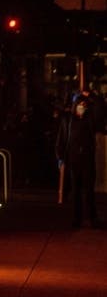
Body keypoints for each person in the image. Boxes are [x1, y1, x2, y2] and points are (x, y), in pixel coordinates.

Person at [54, 89, 101, 228]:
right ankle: (77, 218)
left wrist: (92, 95)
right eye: (79, 104)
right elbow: (61, 140)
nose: (81, 107)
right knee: (76, 191)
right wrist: (60, 158)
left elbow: (99, 109)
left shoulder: (90, 119)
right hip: (73, 160)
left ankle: (92, 218)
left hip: (87, 159)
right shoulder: (67, 120)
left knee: (89, 190)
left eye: (84, 105)